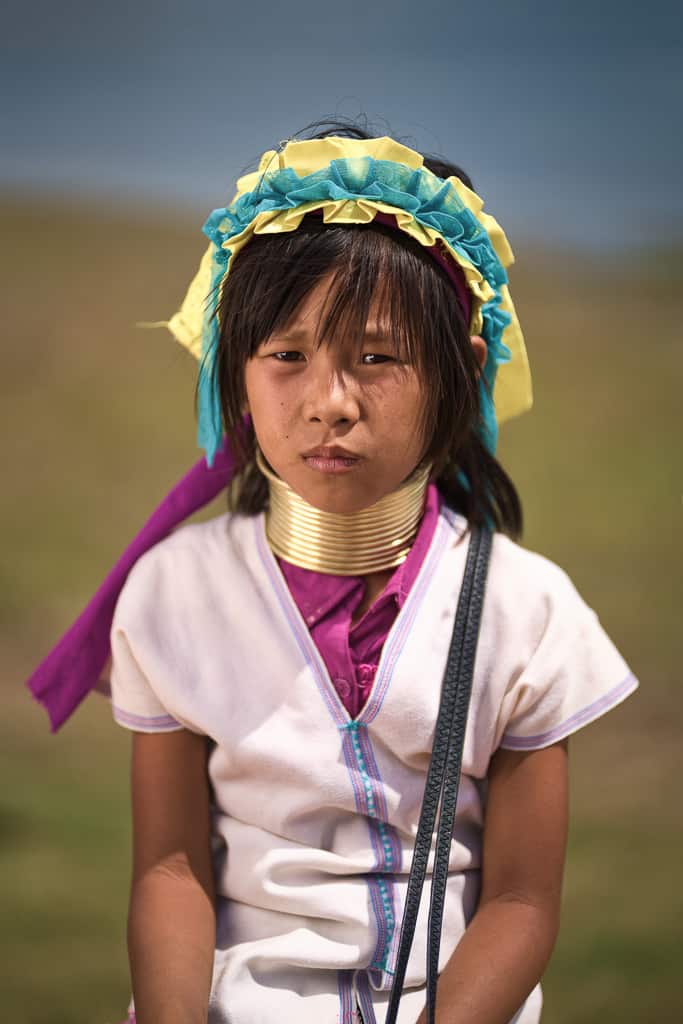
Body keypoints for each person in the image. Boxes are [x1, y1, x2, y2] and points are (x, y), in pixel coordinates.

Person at [27, 122, 637, 1024]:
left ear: (459, 375)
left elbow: (519, 901)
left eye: (378, 357)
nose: (329, 403)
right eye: (286, 355)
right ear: (235, 373)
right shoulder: (175, 596)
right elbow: (170, 869)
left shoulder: (526, 611)